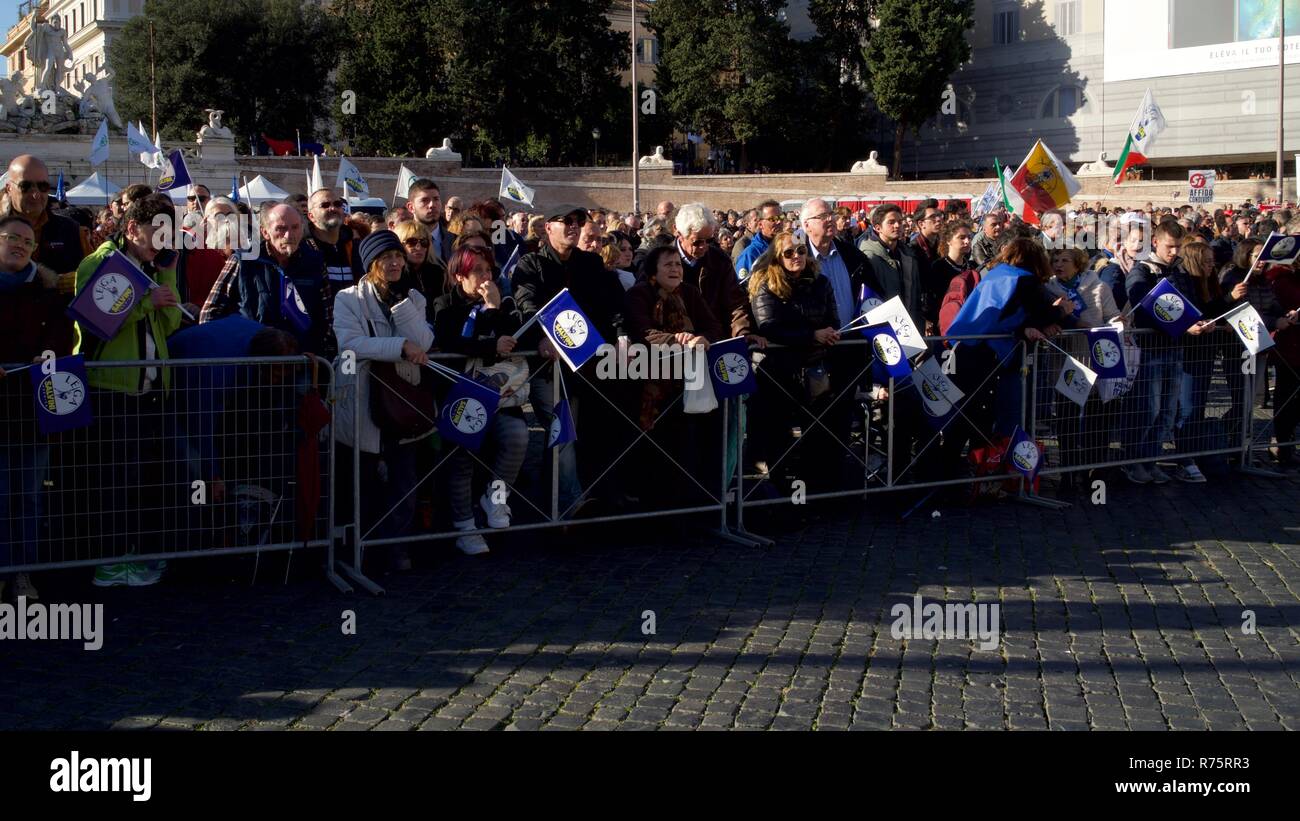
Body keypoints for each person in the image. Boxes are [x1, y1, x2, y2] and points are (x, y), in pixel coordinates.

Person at [75, 194, 184, 588]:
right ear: (134, 227)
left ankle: (132, 552)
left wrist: (166, 279)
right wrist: (143, 302)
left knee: (141, 477)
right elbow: (92, 319)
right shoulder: (102, 261)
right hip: (111, 387)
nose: (163, 239)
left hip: (149, 387)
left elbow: (170, 322)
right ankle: (109, 558)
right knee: (111, 479)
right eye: (157, 230)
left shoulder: (151, 266)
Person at [512, 204, 628, 514]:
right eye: (566, 221)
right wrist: (541, 337)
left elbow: (612, 305)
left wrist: (621, 335)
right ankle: (569, 505)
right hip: (547, 369)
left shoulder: (590, 263)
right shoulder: (530, 263)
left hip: (589, 366)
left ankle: (589, 497)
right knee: (560, 430)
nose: (574, 226)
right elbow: (527, 304)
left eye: (578, 221)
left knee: (587, 432)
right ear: (548, 228)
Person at [332, 230, 434, 570]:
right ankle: (361, 550)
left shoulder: (413, 298)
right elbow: (350, 342)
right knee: (364, 483)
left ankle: (397, 548)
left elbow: (424, 341)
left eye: (398, 257)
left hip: (403, 400)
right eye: (386, 258)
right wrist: (399, 347)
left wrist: (402, 307)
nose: (394, 263)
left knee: (404, 479)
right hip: (364, 400)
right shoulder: (348, 299)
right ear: (372, 263)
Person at [0, 214, 77, 602]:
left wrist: (44, 357)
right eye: (11, 237)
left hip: (33, 411)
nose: (18, 245)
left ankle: (22, 573)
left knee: (29, 496)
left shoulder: (50, 294)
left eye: (26, 241)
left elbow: (63, 341)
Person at [431, 246, 527, 554]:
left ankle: (495, 500)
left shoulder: (502, 301)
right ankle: (465, 526)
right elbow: (451, 341)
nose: (486, 277)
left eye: (489, 271)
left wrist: (494, 309)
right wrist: (488, 345)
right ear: (460, 276)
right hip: (460, 394)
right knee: (462, 459)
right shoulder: (444, 303)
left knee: (517, 438)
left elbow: (512, 340)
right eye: (478, 272)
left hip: (499, 395)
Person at [624, 244, 726, 506]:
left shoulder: (690, 293)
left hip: (690, 383)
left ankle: (693, 507)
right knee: (658, 449)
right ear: (653, 272)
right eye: (668, 264)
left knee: (691, 445)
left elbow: (713, 326)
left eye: (678, 264)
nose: (675, 269)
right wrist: (676, 340)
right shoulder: (639, 294)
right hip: (651, 385)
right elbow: (643, 332)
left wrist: (703, 338)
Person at [946, 236, 1075, 440]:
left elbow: (1010, 312)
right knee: (999, 415)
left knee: (967, 413)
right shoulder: (1024, 279)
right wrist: (1062, 311)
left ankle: (967, 463)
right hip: (995, 354)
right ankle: (995, 464)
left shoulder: (995, 274)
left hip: (968, 347)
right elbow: (1036, 313)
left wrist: (1028, 326)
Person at [747, 231, 840, 491]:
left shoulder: (820, 282)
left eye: (801, 251)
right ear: (777, 256)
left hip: (814, 367)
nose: (797, 256)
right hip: (779, 371)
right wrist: (812, 334)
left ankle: (812, 492)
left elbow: (833, 317)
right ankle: (780, 496)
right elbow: (770, 326)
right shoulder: (765, 282)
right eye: (789, 252)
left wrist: (830, 332)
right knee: (779, 436)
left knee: (816, 434)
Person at [201, 203, 335, 357]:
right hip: (249, 360)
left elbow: (327, 317)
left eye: (295, 227)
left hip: (301, 361)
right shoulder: (243, 260)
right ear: (265, 232)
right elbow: (210, 313)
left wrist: (319, 353)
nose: (289, 235)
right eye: (281, 228)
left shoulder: (315, 263)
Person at [1122, 220, 1198, 484]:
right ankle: (1132, 462)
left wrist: (1195, 321)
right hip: (1149, 351)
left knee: (1166, 411)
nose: (1174, 252)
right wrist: (1183, 324)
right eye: (1170, 247)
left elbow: (1191, 302)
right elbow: (1143, 305)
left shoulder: (1180, 271)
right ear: (1156, 242)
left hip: (1174, 350)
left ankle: (1151, 460)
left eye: (1178, 247)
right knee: (1147, 409)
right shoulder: (1141, 270)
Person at [1044, 246, 1121, 489]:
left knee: (1097, 419)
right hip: (1067, 361)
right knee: (1066, 419)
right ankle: (1067, 472)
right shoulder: (1048, 290)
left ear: (1078, 264)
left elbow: (1112, 315)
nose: (1059, 264)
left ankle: (1093, 471)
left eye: (1065, 260)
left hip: (1097, 360)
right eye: (1055, 260)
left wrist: (1118, 321)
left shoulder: (1099, 287)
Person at [1169, 241, 1229, 483]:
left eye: (1212, 261)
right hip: (1189, 353)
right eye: (1206, 261)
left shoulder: (1209, 282)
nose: (1211, 265)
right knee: (1188, 407)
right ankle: (1185, 458)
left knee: (1197, 407)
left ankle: (1192, 454)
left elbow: (1211, 308)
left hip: (1205, 351)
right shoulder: (1186, 283)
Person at [2, 154, 86, 280]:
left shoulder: (71, 230)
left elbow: (90, 277)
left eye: (43, 187)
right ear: (9, 188)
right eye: (26, 186)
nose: (35, 194)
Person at [858, 204, 924, 330]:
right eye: (891, 222)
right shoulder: (868, 258)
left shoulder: (908, 254)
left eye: (900, 221)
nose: (898, 226)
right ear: (878, 227)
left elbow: (915, 296)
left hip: (909, 327)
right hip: (883, 329)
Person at [303, 188, 362, 287]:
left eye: (337, 204)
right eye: (325, 205)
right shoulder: (303, 249)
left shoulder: (356, 247)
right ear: (311, 216)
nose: (333, 208)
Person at [926, 219, 974, 335]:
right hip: (945, 325)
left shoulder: (973, 267)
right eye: (961, 237)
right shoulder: (938, 267)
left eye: (969, 237)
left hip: (969, 324)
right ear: (949, 241)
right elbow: (931, 299)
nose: (967, 241)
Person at [393, 219, 442, 319]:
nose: (419, 247)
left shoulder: (439, 273)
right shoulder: (395, 276)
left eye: (424, 242)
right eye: (411, 242)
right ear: (399, 244)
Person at [406, 178, 457, 263]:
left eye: (436, 199)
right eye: (424, 200)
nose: (432, 205)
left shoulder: (455, 241)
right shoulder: (401, 240)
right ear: (411, 207)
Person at [734, 199, 782, 281]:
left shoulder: (788, 248)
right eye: (773, 219)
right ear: (760, 224)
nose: (779, 222)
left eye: (781, 217)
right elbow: (742, 288)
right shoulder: (750, 254)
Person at [910, 199, 942, 266]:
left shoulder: (944, 245)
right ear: (921, 224)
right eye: (932, 217)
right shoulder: (913, 249)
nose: (938, 219)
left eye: (939, 215)